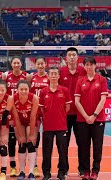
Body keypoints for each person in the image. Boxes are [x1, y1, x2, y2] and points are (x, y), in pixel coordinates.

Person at [74, 57, 108, 180]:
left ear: (95, 66)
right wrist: (86, 116)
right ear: (84, 66)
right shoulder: (80, 81)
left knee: (97, 146)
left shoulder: (102, 80)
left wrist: (93, 115)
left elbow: (103, 99)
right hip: (83, 120)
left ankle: (95, 171)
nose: (88, 67)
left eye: (91, 65)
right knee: (84, 146)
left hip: (98, 119)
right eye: (86, 65)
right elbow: (77, 101)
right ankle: (86, 171)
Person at [39, 67, 72, 180]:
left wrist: (59, 115)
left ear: (58, 76)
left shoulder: (65, 90)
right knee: (46, 151)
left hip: (61, 126)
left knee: (62, 150)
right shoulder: (43, 91)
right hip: (47, 126)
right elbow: (42, 109)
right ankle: (46, 173)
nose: (53, 76)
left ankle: (62, 172)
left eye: (55, 74)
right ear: (48, 76)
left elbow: (67, 107)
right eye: (51, 74)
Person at [59, 47, 86, 176]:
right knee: (63, 144)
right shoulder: (61, 72)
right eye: (69, 55)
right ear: (66, 58)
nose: (71, 57)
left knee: (82, 143)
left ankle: (83, 169)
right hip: (64, 114)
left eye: (73, 55)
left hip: (80, 114)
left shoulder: (83, 71)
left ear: (77, 57)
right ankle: (63, 169)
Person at [3, 57, 28, 177]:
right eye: (14, 63)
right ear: (11, 64)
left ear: (21, 64)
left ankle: (25, 168)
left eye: (18, 62)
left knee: (24, 141)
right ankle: (13, 166)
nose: (16, 64)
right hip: (11, 110)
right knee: (11, 141)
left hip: (23, 110)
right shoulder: (6, 76)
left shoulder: (26, 76)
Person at [26, 57, 49, 177]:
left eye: (42, 64)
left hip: (46, 110)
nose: (40, 66)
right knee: (33, 138)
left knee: (47, 138)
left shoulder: (49, 77)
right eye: (38, 64)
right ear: (36, 65)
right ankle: (33, 166)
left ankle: (45, 166)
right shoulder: (31, 77)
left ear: (45, 64)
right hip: (35, 110)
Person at [11, 80, 38, 180]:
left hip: (30, 121)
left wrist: (31, 134)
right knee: (21, 143)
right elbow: (16, 118)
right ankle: (21, 171)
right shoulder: (13, 98)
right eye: (21, 89)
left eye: (25, 89)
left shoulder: (34, 98)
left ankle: (31, 172)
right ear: (17, 90)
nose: (23, 91)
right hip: (19, 122)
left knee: (31, 143)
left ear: (29, 89)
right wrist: (21, 136)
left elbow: (33, 117)